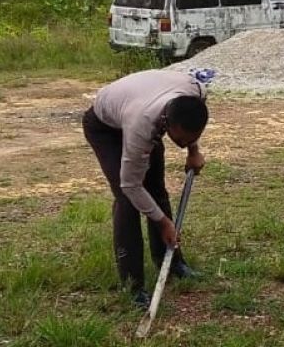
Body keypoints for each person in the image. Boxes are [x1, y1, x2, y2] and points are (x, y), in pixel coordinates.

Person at [82, 67, 210, 308]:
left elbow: (189, 127)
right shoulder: (142, 125)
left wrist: (194, 151)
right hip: (105, 127)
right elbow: (131, 184)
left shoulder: (196, 92)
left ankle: (171, 262)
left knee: (156, 190)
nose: (182, 145)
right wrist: (164, 223)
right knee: (128, 199)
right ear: (167, 123)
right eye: (180, 140)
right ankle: (133, 285)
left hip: (139, 103)